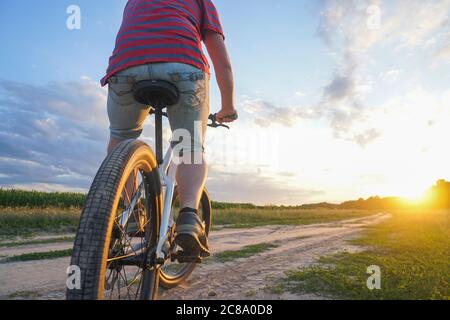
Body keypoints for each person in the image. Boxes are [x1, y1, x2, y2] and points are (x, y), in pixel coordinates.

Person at [101, 0, 237, 257]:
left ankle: (132, 210)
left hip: (125, 68)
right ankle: (188, 217)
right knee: (189, 146)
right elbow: (222, 62)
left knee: (121, 137)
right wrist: (228, 107)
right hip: (183, 65)